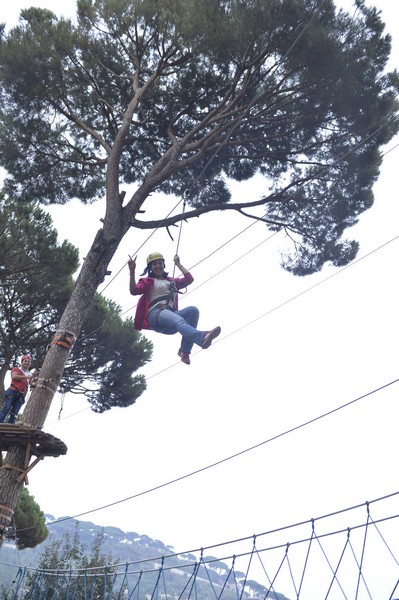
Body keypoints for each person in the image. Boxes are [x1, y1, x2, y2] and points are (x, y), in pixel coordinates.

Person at [128, 252, 221, 365]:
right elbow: (134, 291)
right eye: (154, 264)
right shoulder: (147, 281)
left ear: (164, 265)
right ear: (150, 268)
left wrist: (178, 264)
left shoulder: (171, 281)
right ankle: (201, 337)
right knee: (179, 320)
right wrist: (132, 271)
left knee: (193, 310)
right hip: (156, 314)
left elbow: (189, 279)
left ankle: (184, 352)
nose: (158, 266)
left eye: (160, 263)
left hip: (170, 318)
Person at [0, 355, 33, 424]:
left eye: (29, 362)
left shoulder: (29, 374)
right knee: (6, 408)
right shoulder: (16, 369)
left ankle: (10, 427)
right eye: (25, 361)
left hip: (21, 395)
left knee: (14, 413)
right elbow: (14, 377)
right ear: (22, 362)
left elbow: (31, 383)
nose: (27, 363)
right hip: (12, 391)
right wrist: (27, 377)